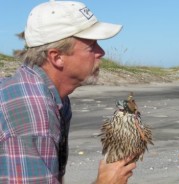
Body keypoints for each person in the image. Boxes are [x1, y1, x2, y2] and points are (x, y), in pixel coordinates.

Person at [0, 0, 136, 183]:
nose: (101, 52)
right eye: (92, 45)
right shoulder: (34, 118)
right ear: (57, 57)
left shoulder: (57, 99)